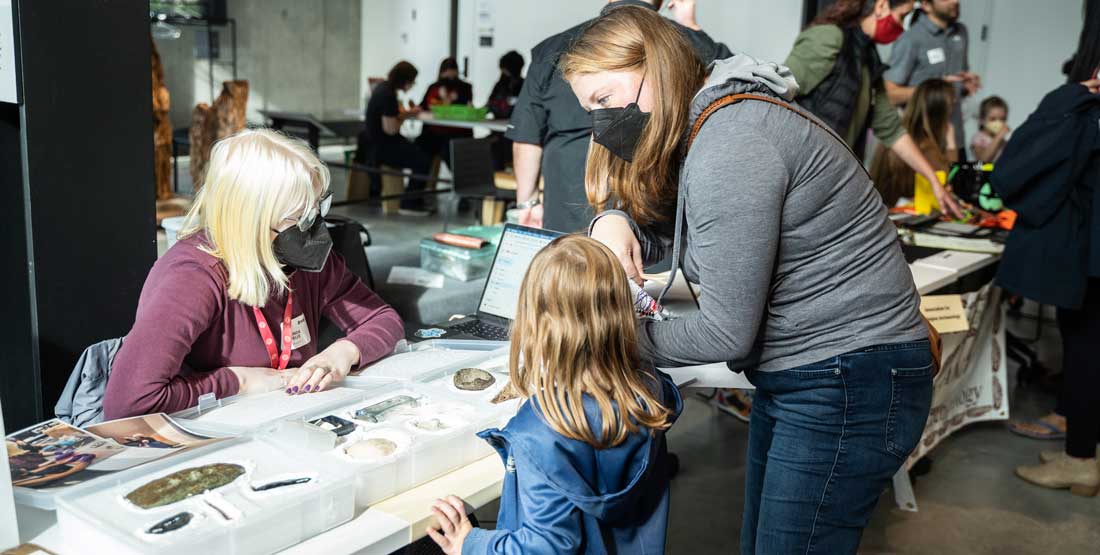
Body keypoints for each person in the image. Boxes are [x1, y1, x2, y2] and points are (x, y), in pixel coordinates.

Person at [564, 8, 935, 552]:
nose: (603, 121)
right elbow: (698, 225)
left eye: (605, 98)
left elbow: (724, 334)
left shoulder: (732, 141)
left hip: (846, 378)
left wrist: (603, 339)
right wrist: (615, 219)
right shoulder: (717, 120)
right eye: (590, 109)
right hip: (820, 371)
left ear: (659, 68)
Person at [103, 129, 404, 419]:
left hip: (286, 421)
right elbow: (129, 403)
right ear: (253, 218)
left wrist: (344, 351)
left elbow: (383, 318)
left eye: (316, 211)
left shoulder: (305, 262)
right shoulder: (193, 276)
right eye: (299, 218)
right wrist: (238, 383)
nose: (314, 230)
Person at [426, 235, 682, 555]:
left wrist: (472, 543)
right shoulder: (651, 389)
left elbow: (546, 545)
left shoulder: (541, 432)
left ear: (535, 326)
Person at [992, 3, 1100, 496]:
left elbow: (1017, 173)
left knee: (1085, 345)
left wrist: (1071, 96)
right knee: (1085, 343)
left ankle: (1080, 460)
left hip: (1089, 250)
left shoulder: (1080, 107)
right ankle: (1081, 449)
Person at [508, 0, 732, 232]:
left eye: (604, 99)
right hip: (660, 227)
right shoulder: (691, 43)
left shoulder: (551, 49)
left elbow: (526, 138)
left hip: (568, 214)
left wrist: (528, 203)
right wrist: (690, 26)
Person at [785, 0, 963, 217]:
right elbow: (779, 97)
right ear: (881, 7)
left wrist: (933, 180)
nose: (900, 27)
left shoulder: (869, 59)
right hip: (800, 175)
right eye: (901, 16)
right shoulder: (829, 38)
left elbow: (891, 129)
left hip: (831, 179)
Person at [884, 0, 980, 158]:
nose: (955, 1)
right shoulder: (911, 39)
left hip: (954, 139)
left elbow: (952, 83)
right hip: (921, 143)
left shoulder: (961, 33)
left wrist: (963, 86)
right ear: (926, 5)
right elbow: (890, 95)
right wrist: (934, 90)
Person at [869, 78, 958, 207]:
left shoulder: (895, 137)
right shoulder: (925, 147)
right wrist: (951, 144)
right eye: (952, 106)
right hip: (901, 214)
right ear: (940, 112)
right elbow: (948, 183)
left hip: (881, 207)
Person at [364, 61, 433, 216]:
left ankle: (413, 199)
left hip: (374, 144)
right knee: (424, 160)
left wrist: (405, 114)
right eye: (412, 80)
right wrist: (405, 116)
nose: (413, 84)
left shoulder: (383, 88)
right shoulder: (388, 95)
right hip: (383, 147)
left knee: (420, 150)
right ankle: (409, 203)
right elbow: (391, 129)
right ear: (405, 80)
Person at [416, 57, 475, 167]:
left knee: (451, 151)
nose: (450, 78)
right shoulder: (433, 87)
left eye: (453, 74)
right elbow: (423, 106)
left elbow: (468, 108)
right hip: (434, 132)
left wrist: (450, 99)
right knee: (421, 149)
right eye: (447, 75)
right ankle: (421, 182)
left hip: (457, 132)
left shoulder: (464, 88)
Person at [488, 51, 526, 169]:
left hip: (511, 134)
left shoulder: (521, 85)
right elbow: (489, 105)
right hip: (500, 131)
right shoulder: (501, 85)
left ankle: (500, 176)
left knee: (497, 147)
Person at [970, 95, 1009, 162]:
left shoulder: (1003, 141)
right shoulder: (978, 138)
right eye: (993, 119)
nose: (998, 123)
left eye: (1002, 119)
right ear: (982, 120)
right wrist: (998, 137)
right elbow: (982, 161)